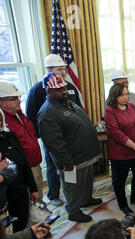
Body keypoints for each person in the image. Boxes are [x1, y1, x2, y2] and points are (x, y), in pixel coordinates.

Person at [37, 73, 102, 223]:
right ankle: (73, 210)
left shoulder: (66, 102)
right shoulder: (47, 113)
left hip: (84, 155)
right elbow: (54, 143)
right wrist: (67, 162)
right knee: (72, 186)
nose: (64, 91)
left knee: (85, 181)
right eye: (59, 89)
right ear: (49, 91)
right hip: (72, 160)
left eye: (64, 88)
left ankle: (85, 199)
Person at [26, 54, 82, 207]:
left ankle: (74, 192)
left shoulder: (70, 88)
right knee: (53, 166)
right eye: (59, 69)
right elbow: (31, 115)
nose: (63, 72)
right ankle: (54, 194)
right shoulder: (37, 90)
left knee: (71, 163)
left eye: (64, 69)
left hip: (71, 135)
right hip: (51, 136)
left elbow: (78, 108)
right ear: (49, 70)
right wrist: (40, 136)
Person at [0, 99, 40, 239]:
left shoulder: (9, 136)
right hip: (4, 198)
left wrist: (33, 188)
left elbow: (23, 164)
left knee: (21, 226)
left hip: (20, 192)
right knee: (7, 235)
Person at [0, 82, 49, 213]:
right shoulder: (3, 123)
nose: (18, 101)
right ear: (2, 102)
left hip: (34, 165)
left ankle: (40, 226)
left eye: (18, 98)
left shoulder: (19, 114)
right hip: (22, 173)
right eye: (14, 98)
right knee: (27, 207)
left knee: (37, 198)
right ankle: (32, 231)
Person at [104, 83, 135, 215]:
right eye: (122, 95)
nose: (125, 97)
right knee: (119, 180)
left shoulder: (132, 107)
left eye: (127, 94)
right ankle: (123, 205)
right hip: (120, 154)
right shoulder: (110, 111)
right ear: (114, 95)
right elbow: (116, 133)